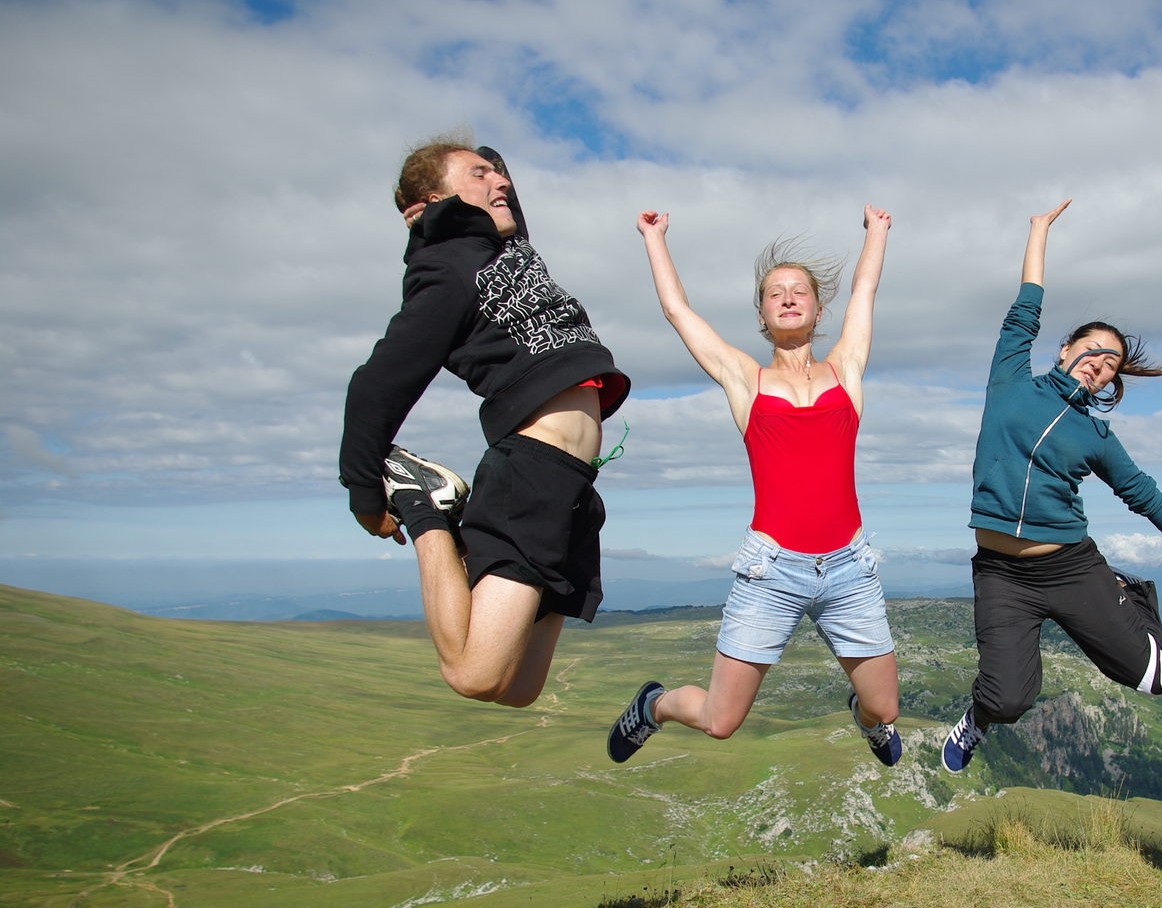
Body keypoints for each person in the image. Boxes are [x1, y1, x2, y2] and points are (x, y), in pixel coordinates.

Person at [940, 200, 1162, 774]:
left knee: (1161, 677)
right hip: (1001, 573)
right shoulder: (1010, 379)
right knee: (1008, 699)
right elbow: (1025, 306)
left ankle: (1130, 593)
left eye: (1113, 363)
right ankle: (977, 720)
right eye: (1094, 349)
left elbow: (1149, 499)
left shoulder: (1096, 435)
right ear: (1066, 348)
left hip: (1069, 566)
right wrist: (1038, 231)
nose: (1101, 363)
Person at [338, 139, 629, 708]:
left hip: (571, 485)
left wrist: (486, 164)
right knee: (472, 676)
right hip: (531, 472)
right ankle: (423, 504)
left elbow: (505, 188)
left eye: (499, 175)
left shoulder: (510, 246)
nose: (498, 182)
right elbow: (378, 382)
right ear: (436, 199)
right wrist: (363, 493)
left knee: (518, 690)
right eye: (479, 175)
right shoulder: (446, 268)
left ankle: (438, 514)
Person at [607, 205, 902, 766]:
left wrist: (878, 232)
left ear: (817, 311)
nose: (788, 298)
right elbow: (677, 310)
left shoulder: (847, 370)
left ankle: (862, 718)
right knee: (720, 722)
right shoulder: (747, 379)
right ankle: (656, 705)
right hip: (772, 569)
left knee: (883, 709)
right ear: (763, 315)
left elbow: (865, 292)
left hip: (849, 567)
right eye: (775, 293)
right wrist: (654, 237)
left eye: (799, 292)